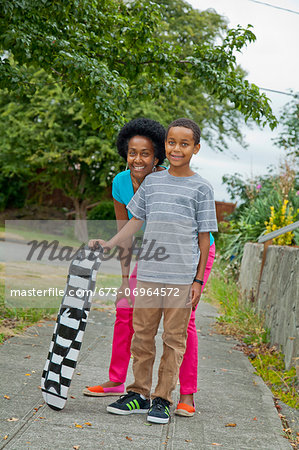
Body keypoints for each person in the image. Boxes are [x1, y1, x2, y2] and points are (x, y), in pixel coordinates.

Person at [88, 118, 218, 424]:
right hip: (152, 265)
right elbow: (131, 225)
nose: (176, 148)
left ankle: (172, 396)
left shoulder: (194, 184)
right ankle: (132, 389)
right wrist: (114, 256)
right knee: (136, 326)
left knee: (178, 333)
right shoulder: (137, 183)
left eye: (184, 144)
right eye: (172, 143)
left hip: (186, 266)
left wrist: (197, 279)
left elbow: (203, 235)